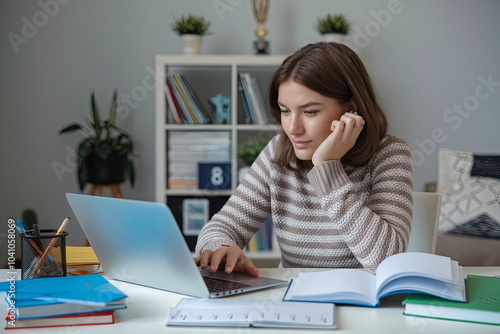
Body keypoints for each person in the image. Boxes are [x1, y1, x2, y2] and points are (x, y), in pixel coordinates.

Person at [194, 42, 413, 276]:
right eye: (285, 111)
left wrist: (328, 170)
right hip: (294, 300)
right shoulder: (278, 152)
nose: (292, 128)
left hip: (364, 306)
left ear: (350, 109)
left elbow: (387, 260)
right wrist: (222, 248)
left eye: (310, 112)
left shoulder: (390, 154)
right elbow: (220, 227)